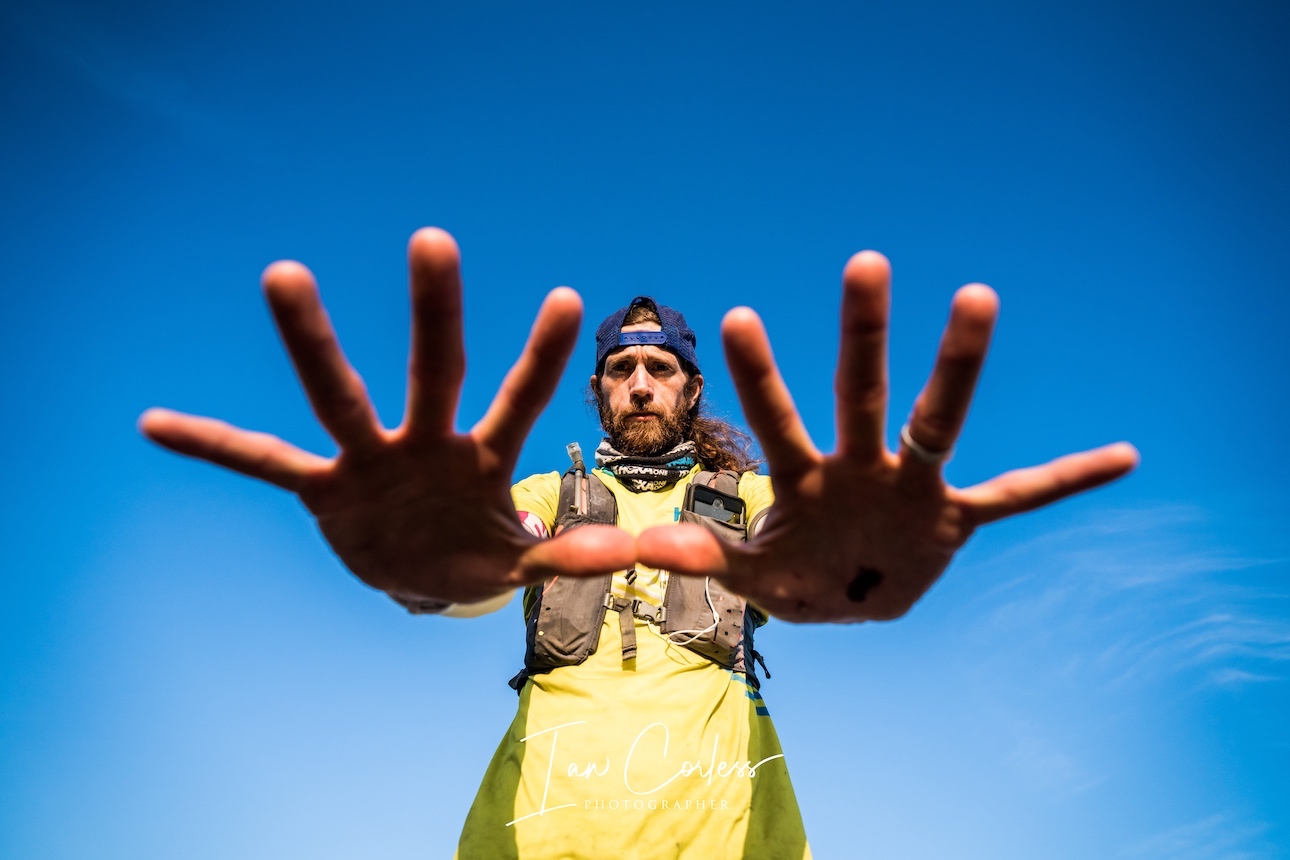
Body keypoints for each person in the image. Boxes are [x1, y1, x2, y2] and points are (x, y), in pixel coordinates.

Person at [139, 228, 1138, 859]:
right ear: (599, 391)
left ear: (693, 388)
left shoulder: (756, 497)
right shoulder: (544, 494)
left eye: (662, 368)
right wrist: (428, 582)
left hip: (729, 837)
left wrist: (858, 573)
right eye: (624, 369)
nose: (643, 383)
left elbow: (807, 561)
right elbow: (486, 571)